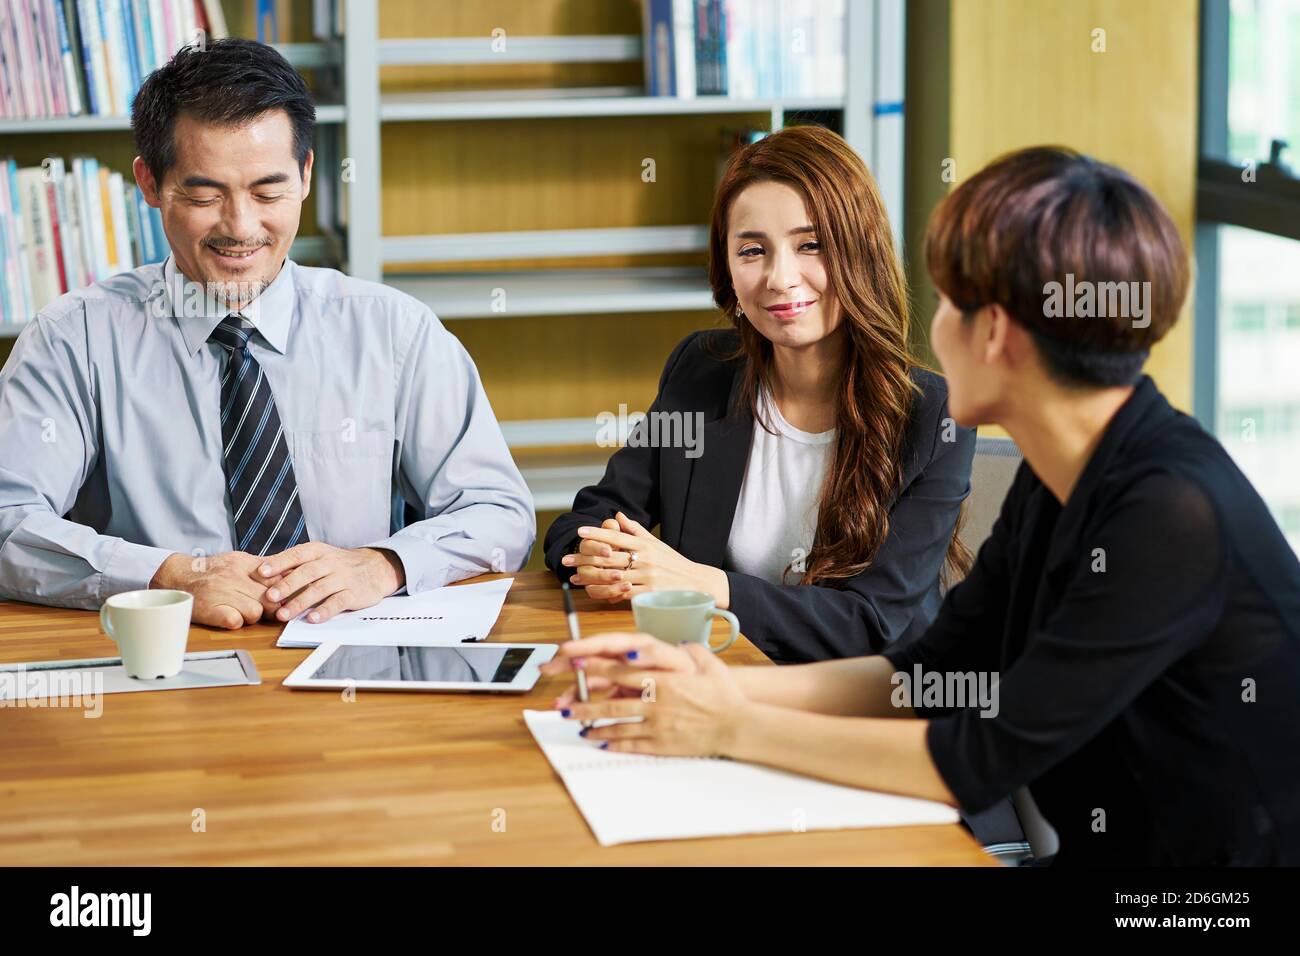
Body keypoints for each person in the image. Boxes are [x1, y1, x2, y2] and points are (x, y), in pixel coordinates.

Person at [543, 146, 1300, 866]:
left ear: (995, 330)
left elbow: (974, 760)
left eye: (947, 303)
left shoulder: (1168, 513)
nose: (930, 329)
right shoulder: (1063, 472)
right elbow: (927, 673)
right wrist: (698, 679)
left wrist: (732, 724)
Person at [0, 39, 535, 629]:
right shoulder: (72, 339)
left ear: (306, 176)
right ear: (149, 183)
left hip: (354, 662)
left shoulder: (394, 331)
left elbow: (498, 513)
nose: (240, 227)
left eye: (268, 191)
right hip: (167, 665)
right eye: (205, 195)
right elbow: (8, 522)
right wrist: (165, 576)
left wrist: (385, 563)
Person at [543, 126, 975, 663]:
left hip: (863, 708)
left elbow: (873, 623)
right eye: (752, 250)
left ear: (860, 249)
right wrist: (599, 554)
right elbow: (589, 516)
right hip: (715, 673)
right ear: (726, 266)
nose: (779, 278)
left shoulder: (933, 415)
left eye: (810, 244)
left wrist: (705, 584)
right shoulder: (701, 368)